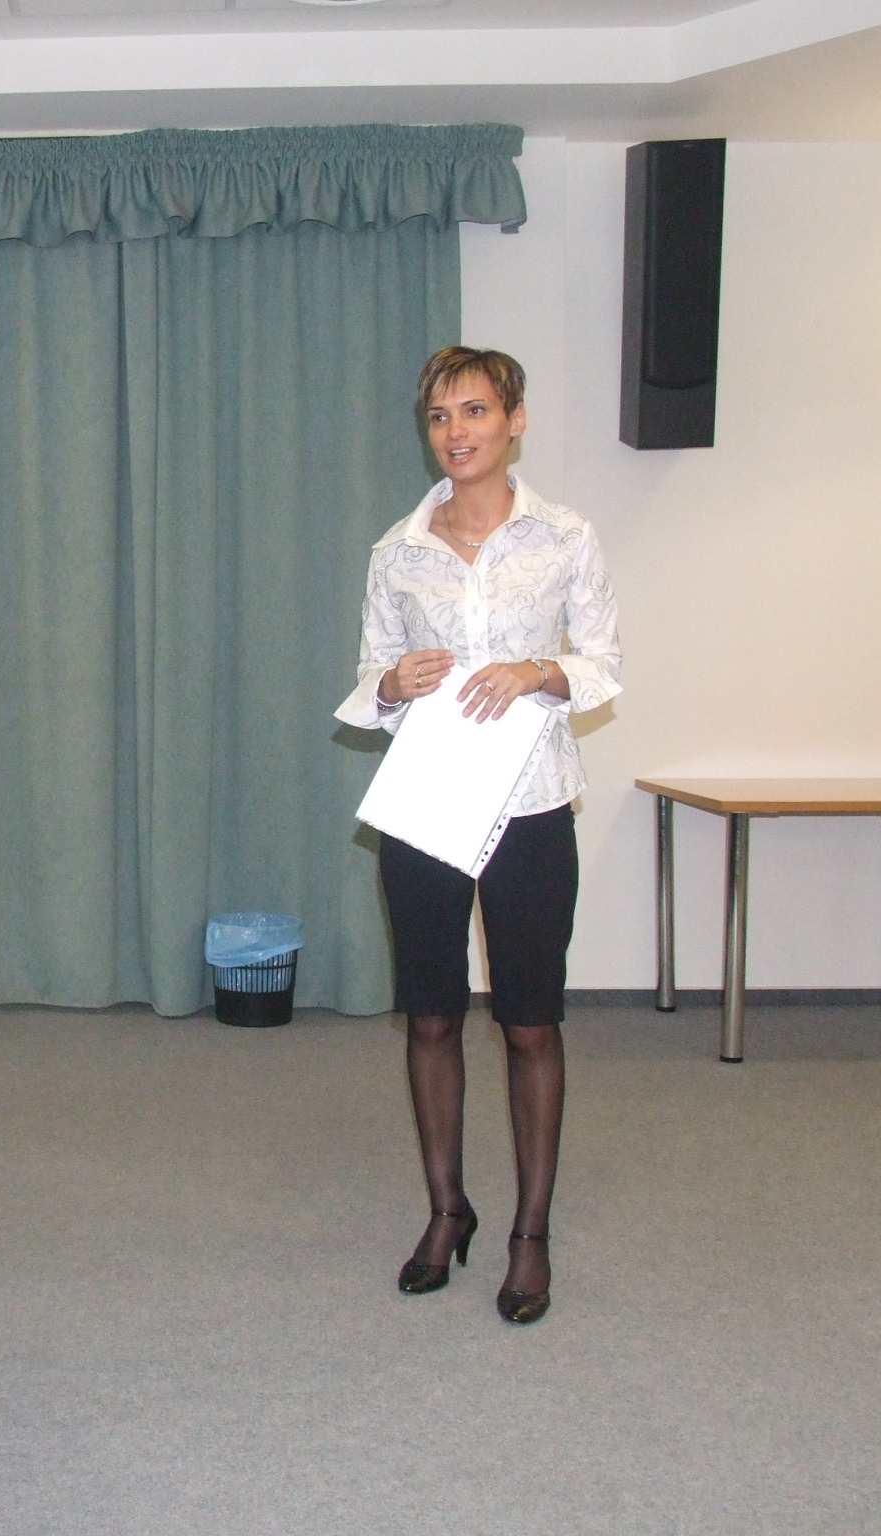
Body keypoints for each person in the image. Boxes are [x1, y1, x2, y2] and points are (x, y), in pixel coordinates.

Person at [335, 346, 621, 1326]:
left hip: (531, 802)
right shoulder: (396, 551)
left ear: (514, 420)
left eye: (474, 411)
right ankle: (446, 1210)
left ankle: (529, 1234)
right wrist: (391, 682)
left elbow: (604, 662)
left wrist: (540, 671)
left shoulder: (566, 537)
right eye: (439, 417)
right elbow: (369, 679)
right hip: (427, 803)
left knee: (529, 1022)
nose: (455, 433)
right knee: (429, 1015)